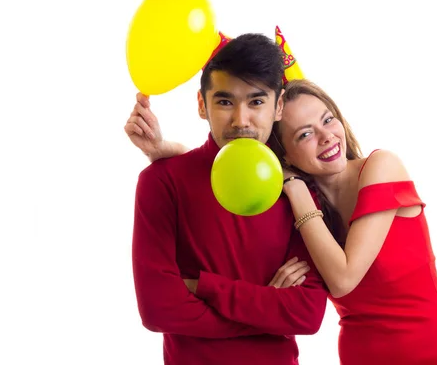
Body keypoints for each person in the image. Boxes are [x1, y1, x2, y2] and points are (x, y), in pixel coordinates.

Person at [127, 76, 437, 364]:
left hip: (431, 350)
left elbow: (341, 279)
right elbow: (229, 165)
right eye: (304, 134)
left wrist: (293, 188)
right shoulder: (300, 201)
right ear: (285, 156)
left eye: (327, 119)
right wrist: (163, 150)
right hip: (361, 355)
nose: (326, 136)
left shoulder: (381, 167)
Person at [127, 33, 328, 365]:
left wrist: (203, 286)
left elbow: (306, 314)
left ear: (278, 106)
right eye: (224, 102)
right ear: (201, 105)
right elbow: (157, 308)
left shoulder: (299, 191)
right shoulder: (161, 182)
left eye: (256, 101)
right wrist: (267, 310)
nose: (240, 119)